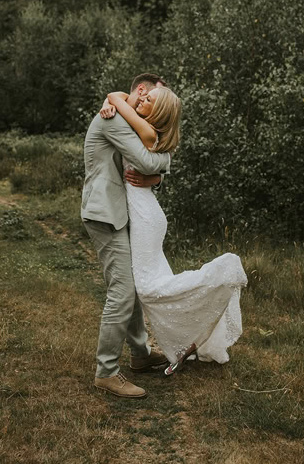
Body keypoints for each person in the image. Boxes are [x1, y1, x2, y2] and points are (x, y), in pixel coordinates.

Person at [101, 83, 246, 377]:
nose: (141, 99)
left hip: (144, 215)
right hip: (147, 212)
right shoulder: (145, 132)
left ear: (158, 112)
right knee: (156, 284)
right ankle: (186, 338)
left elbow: (116, 95)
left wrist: (113, 103)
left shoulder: (147, 131)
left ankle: (221, 272)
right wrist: (112, 106)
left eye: (149, 99)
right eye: (144, 95)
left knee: (148, 289)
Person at [82, 73, 173, 399]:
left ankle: (140, 355)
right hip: (104, 213)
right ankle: (106, 372)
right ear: (142, 90)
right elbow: (149, 160)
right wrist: (166, 161)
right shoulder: (113, 117)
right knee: (122, 292)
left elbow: (150, 167)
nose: (155, 108)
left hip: (121, 212)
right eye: (154, 100)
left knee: (132, 286)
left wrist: (156, 177)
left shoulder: (124, 113)